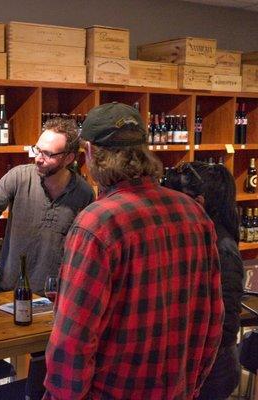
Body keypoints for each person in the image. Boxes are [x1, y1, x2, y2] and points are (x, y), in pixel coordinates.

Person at [44, 103, 224, 400]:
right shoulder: (193, 213)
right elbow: (212, 318)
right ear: (143, 149)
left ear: (89, 152)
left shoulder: (96, 223)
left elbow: (72, 341)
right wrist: (190, 387)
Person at [0, 117, 94, 293]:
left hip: (53, 295)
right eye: (37, 150)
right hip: (8, 291)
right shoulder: (19, 177)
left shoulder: (84, 193)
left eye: (47, 154)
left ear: (69, 158)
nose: (38, 159)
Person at [164, 161, 243, 400]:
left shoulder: (222, 248)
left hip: (213, 367)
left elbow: (227, 325)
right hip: (198, 361)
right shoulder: (198, 236)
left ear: (198, 203)